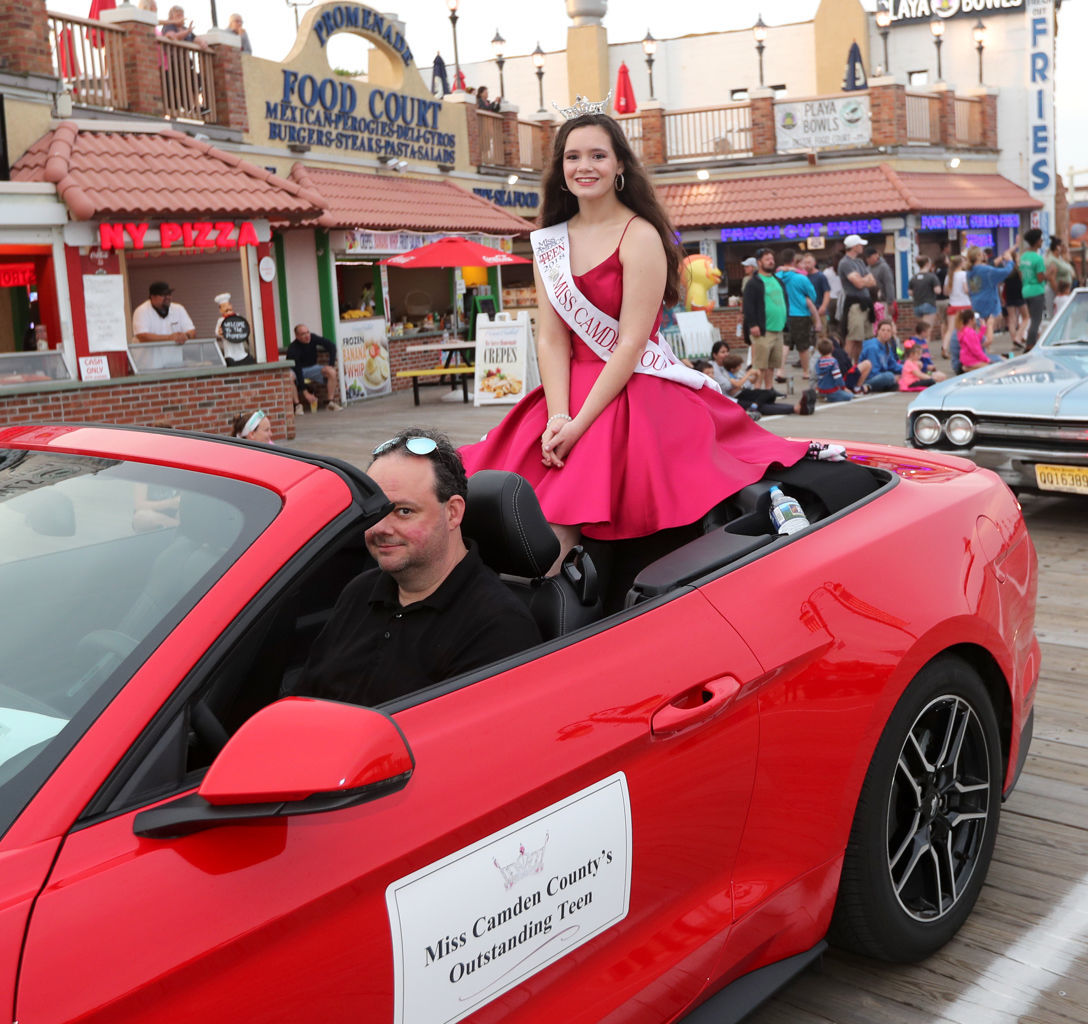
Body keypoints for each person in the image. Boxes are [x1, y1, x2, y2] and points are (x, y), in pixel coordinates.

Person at [458, 110, 808, 567]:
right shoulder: (548, 241)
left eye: (598, 155)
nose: (585, 166)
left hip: (631, 384)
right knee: (499, 503)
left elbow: (630, 344)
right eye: (573, 156)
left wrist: (579, 425)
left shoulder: (640, 235)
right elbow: (550, 338)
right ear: (561, 168)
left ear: (620, 165)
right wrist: (559, 415)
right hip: (565, 391)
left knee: (561, 518)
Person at [293, 431, 542, 705]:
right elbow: (306, 699)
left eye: (404, 512)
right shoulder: (357, 593)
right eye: (375, 512)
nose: (381, 528)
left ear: (453, 513)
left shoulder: (498, 625)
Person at [743, 246, 790, 388]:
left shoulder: (777, 280)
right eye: (767, 259)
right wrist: (753, 325)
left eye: (772, 259)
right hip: (763, 330)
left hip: (778, 329)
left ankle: (769, 390)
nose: (771, 261)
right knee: (760, 365)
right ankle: (757, 391)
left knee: (772, 365)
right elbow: (748, 305)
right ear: (759, 262)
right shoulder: (754, 282)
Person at [716, 352, 817, 417]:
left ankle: (798, 407)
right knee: (764, 403)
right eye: (723, 352)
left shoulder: (735, 373)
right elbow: (737, 384)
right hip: (739, 397)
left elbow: (749, 383)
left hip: (744, 395)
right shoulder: (728, 376)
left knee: (769, 396)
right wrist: (748, 374)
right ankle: (797, 408)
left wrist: (755, 375)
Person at [776, 248, 822, 381]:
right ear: (793, 261)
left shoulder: (776, 277)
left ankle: (780, 370)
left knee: (785, 343)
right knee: (803, 346)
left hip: (782, 314)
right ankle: (806, 372)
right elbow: (812, 295)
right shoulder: (801, 278)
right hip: (800, 314)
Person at [966, 241, 1016, 349]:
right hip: (989, 302)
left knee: (980, 329)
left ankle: (981, 350)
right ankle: (982, 348)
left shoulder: (969, 271)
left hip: (975, 302)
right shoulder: (985, 270)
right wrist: (1010, 261)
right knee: (989, 326)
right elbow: (1006, 272)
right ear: (979, 256)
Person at [838, 234, 878, 363]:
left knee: (863, 338)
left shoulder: (859, 262)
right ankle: (844, 366)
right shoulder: (845, 263)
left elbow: (872, 281)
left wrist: (862, 280)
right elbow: (859, 284)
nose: (862, 247)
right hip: (854, 304)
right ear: (854, 247)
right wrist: (863, 280)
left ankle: (858, 365)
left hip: (865, 303)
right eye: (860, 245)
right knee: (852, 337)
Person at [287, 323, 341, 412]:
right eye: (303, 334)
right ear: (297, 336)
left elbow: (332, 346)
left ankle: (330, 402)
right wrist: (306, 393)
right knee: (289, 376)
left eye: (307, 332)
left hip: (313, 368)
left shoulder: (313, 338)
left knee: (331, 371)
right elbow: (298, 371)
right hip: (297, 370)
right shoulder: (293, 349)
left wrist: (330, 365)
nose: (307, 336)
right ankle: (297, 405)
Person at [131, 281, 195, 344]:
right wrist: (169, 338)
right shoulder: (141, 310)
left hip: (173, 354)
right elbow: (142, 336)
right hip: (149, 354)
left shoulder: (179, 309)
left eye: (169, 294)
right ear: (152, 297)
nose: (167, 297)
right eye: (163, 295)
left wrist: (186, 336)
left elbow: (192, 331)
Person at [1019, 228, 1048, 352]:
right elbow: (1040, 278)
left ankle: (1030, 342)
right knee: (1036, 320)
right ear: (1036, 241)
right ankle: (1030, 345)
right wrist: (1049, 274)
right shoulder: (1038, 259)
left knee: (1031, 319)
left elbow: (1021, 274)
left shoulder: (1023, 256)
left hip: (1026, 290)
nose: (1042, 241)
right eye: (1041, 239)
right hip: (1037, 290)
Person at [859, 319, 902, 391]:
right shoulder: (872, 347)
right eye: (883, 330)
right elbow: (872, 373)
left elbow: (893, 365)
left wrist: (909, 369)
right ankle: (866, 387)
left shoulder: (887, 346)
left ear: (891, 334)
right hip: (868, 379)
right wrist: (893, 376)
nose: (885, 332)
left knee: (898, 380)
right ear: (878, 331)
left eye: (888, 331)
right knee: (889, 376)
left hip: (881, 376)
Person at [942, 254, 971, 356]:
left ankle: (944, 348)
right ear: (961, 263)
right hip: (965, 304)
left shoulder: (949, 276)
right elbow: (966, 289)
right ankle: (965, 347)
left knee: (950, 329)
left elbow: (945, 292)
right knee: (965, 328)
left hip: (953, 304)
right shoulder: (964, 274)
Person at [214, 292, 254, 365]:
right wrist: (220, 332)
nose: (227, 308)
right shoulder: (221, 321)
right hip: (230, 355)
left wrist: (248, 328)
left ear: (231, 306)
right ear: (220, 310)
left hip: (242, 353)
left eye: (228, 305)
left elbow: (245, 328)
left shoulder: (238, 318)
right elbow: (217, 333)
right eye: (224, 306)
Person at [813, 337, 854, 402]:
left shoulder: (818, 362)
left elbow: (817, 375)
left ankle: (823, 396)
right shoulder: (833, 362)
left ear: (820, 352)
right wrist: (843, 387)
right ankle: (831, 397)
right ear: (832, 349)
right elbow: (838, 377)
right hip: (831, 390)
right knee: (850, 395)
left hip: (821, 389)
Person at [864, 247, 896, 324]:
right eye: (866, 258)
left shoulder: (884, 267)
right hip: (871, 302)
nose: (867, 260)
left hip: (883, 302)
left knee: (884, 324)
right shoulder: (867, 269)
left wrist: (890, 302)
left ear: (876, 255)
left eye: (869, 257)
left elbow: (889, 284)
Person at [908, 256, 942, 329]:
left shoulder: (913, 278)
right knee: (927, 331)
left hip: (917, 305)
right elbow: (938, 290)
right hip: (929, 304)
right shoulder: (932, 277)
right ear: (927, 264)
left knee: (921, 330)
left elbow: (910, 293)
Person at [1002, 263, 1027, 349]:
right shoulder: (1019, 269)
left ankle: (1014, 339)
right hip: (1019, 295)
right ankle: (1018, 337)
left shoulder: (1006, 270)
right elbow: (1023, 279)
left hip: (1009, 295)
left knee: (1011, 319)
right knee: (1026, 317)